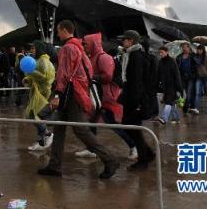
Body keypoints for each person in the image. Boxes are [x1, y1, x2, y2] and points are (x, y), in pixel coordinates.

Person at [37, 21, 119, 180]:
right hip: (76, 92)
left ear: (64, 30)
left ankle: (110, 159)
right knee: (59, 128)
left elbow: (64, 73)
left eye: (59, 31)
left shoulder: (67, 48)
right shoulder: (79, 47)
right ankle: (54, 165)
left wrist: (57, 96)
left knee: (80, 130)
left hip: (71, 94)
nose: (57, 34)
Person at [76, 33, 137, 159]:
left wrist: (91, 78)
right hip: (97, 96)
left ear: (93, 44)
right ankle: (91, 149)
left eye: (86, 44)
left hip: (107, 97)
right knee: (91, 122)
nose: (84, 46)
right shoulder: (92, 57)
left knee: (112, 124)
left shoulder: (104, 58)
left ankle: (133, 145)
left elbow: (107, 76)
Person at [118, 29, 156, 171]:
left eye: (125, 39)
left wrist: (135, 103)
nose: (123, 41)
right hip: (132, 98)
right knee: (131, 128)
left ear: (131, 41)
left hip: (135, 100)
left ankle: (143, 161)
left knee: (134, 129)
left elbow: (137, 82)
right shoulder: (130, 55)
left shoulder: (136, 57)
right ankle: (148, 153)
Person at [24, 40, 55, 151]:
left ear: (39, 49)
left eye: (33, 48)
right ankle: (41, 142)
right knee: (36, 116)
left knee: (31, 115)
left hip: (42, 92)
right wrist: (28, 79)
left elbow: (43, 77)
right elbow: (38, 76)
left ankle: (47, 134)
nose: (31, 51)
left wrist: (30, 72)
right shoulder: (41, 60)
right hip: (39, 91)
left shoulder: (43, 61)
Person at [155, 45, 184, 124]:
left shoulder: (172, 61)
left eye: (162, 52)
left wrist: (179, 87)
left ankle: (164, 118)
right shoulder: (160, 62)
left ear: (167, 52)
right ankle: (176, 118)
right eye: (159, 53)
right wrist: (157, 84)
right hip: (165, 86)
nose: (160, 54)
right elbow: (158, 74)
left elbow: (176, 74)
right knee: (171, 102)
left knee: (168, 102)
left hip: (173, 85)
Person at [176, 42, 197, 113]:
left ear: (189, 47)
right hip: (182, 77)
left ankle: (186, 107)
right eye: (183, 47)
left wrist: (194, 75)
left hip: (190, 77)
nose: (184, 48)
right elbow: (177, 68)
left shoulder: (193, 56)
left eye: (185, 47)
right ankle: (187, 105)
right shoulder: (179, 57)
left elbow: (197, 65)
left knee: (189, 92)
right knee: (181, 93)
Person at [193, 45, 207, 114]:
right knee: (197, 92)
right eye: (197, 50)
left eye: (199, 50)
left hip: (206, 77)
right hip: (198, 77)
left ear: (202, 50)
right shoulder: (195, 57)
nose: (198, 51)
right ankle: (196, 108)